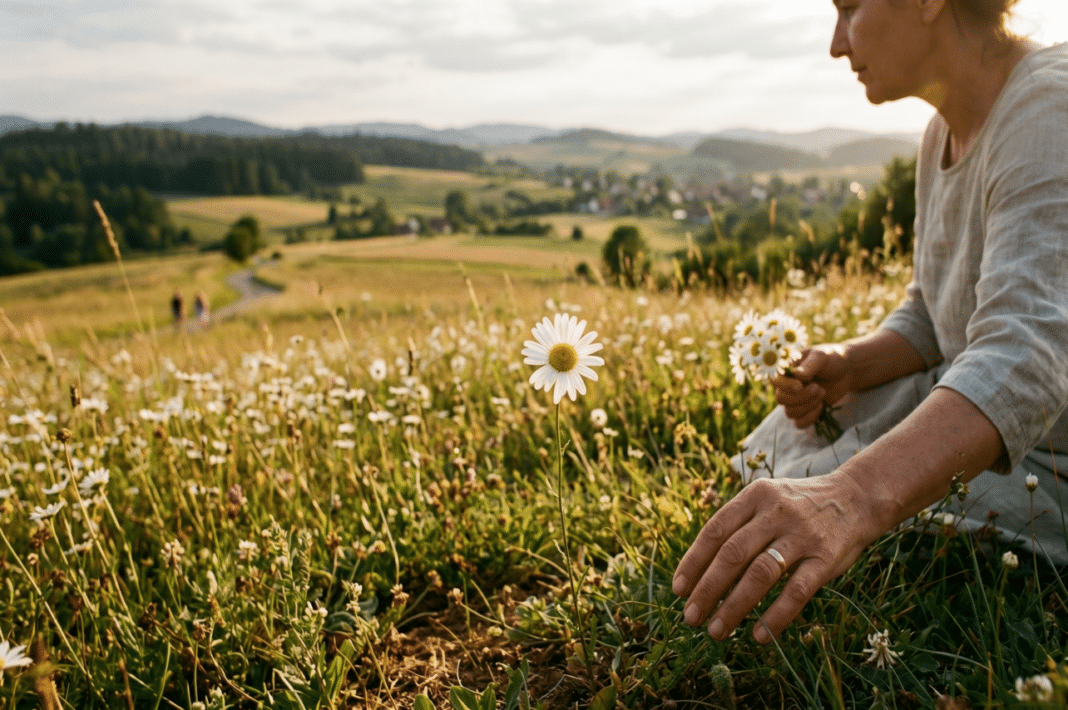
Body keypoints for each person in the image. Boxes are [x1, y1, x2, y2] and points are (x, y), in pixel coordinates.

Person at [673, 0, 1068, 646]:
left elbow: (1027, 355)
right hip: (985, 405)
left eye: (850, 8)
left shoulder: (1052, 111)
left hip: (1048, 452)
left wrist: (852, 497)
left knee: (842, 498)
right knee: (776, 457)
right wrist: (853, 363)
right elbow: (934, 312)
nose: (836, 44)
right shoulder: (943, 132)